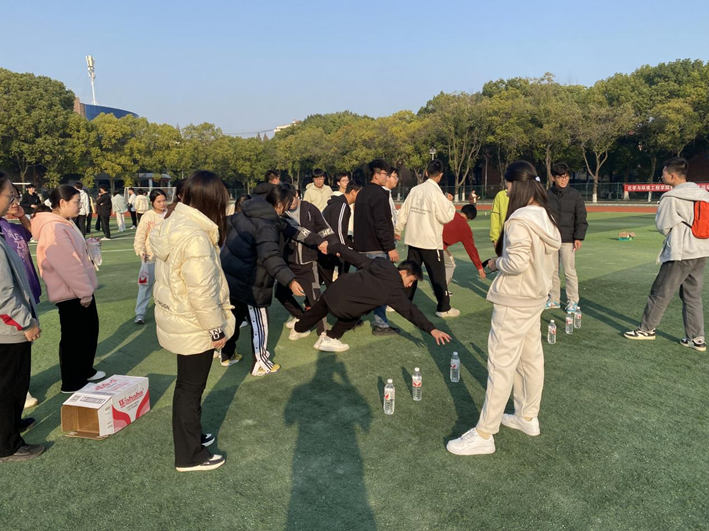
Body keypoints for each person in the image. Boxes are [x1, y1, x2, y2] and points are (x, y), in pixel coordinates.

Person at [446, 161, 561, 456]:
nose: (506, 192)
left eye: (507, 186)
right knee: (530, 359)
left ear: (517, 185)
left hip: (516, 299)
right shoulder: (546, 215)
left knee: (501, 365)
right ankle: (527, 416)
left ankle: (485, 433)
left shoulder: (520, 220)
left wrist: (496, 263)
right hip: (535, 297)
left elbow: (517, 262)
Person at [150, 171, 236, 472]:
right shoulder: (196, 235)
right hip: (194, 322)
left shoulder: (174, 222)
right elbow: (201, 292)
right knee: (190, 388)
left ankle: (192, 438)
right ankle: (189, 455)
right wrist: (216, 329)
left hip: (180, 316)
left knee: (187, 386)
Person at [294, 247, 452, 351]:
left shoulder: (382, 263)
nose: (410, 285)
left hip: (334, 290)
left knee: (319, 309)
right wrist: (432, 329)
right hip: (344, 306)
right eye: (411, 280)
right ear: (403, 273)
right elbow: (410, 311)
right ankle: (329, 338)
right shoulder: (395, 290)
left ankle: (298, 329)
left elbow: (355, 257)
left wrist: (335, 247)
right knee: (357, 312)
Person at [625, 157, 709, 350]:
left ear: (672, 175)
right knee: (693, 296)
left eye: (663, 173)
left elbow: (663, 225)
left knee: (660, 292)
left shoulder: (671, 197)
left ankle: (646, 329)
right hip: (701, 249)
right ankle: (696, 338)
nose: (662, 176)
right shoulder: (703, 194)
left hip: (681, 251)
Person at [221, 184, 305, 374]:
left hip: (233, 276)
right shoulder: (266, 226)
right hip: (252, 281)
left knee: (234, 317)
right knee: (260, 322)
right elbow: (270, 257)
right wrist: (290, 280)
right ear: (280, 204)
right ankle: (260, 362)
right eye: (288, 204)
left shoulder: (245, 213)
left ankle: (226, 354)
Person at [32, 185, 104, 393]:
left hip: (79, 289)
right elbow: (68, 264)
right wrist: (84, 292)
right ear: (62, 203)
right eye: (76, 202)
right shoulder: (53, 227)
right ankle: (72, 381)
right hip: (70, 292)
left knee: (88, 331)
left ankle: (84, 370)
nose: (79, 206)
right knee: (74, 337)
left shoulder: (65, 222)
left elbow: (74, 255)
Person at [0, 172, 45, 464]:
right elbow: (3, 294)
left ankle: (12, 425)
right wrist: (26, 323)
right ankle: (7, 445)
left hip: (10, 325)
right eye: (9, 195)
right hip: (8, 328)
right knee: (8, 385)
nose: (13, 201)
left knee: (15, 383)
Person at [395, 159, 458, 318]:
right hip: (430, 242)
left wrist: (398, 229)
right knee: (438, 276)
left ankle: (402, 303)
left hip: (413, 239)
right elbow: (446, 217)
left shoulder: (415, 190)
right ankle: (443, 308)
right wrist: (449, 203)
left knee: (409, 273)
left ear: (426, 172)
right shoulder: (437, 194)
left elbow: (403, 212)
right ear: (440, 175)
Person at [279, 192, 335, 346]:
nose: (289, 204)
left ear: (297, 194)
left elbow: (325, 229)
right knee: (280, 294)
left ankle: (323, 334)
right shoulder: (281, 214)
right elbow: (297, 232)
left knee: (315, 298)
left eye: (291, 199)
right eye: (285, 201)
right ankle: (302, 318)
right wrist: (318, 241)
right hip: (288, 264)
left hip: (309, 263)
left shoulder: (310, 209)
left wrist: (333, 244)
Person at [354, 159, 399, 336]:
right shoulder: (380, 194)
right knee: (381, 287)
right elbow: (382, 224)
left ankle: (351, 318)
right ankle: (381, 324)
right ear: (377, 174)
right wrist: (390, 247)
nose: (387, 177)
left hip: (361, 247)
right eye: (386, 174)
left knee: (364, 286)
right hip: (376, 248)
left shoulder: (362, 193)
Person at [545, 162, 588, 311]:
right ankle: (554, 299)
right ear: (553, 178)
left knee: (569, 271)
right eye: (560, 177)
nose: (563, 180)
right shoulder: (546, 195)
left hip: (568, 240)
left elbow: (581, 217)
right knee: (552, 271)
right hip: (551, 240)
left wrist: (578, 237)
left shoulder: (575, 195)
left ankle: (573, 300)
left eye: (566, 177)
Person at [133, 189, 167, 325]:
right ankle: (140, 313)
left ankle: (166, 313)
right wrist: (141, 250)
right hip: (150, 257)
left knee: (167, 286)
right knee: (145, 286)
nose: (162, 204)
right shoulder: (148, 216)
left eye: (164, 200)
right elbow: (140, 236)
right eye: (159, 201)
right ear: (152, 202)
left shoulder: (170, 215)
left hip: (167, 258)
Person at [320, 180, 362, 286]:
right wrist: (345, 250)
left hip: (327, 246)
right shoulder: (342, 206)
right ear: (353, 191)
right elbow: (339, 231)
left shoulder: (338, 204)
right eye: (360, 193)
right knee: (334, 284)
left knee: (327, 282)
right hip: (329, 248)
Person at [442, 204, 485, 287]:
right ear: (470, 218)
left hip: (424, 237)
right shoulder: (466, 228)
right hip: (438, 245)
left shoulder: (450, 212)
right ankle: (442, 291)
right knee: (450, 265)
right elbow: (471, 250)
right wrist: (479, 267)